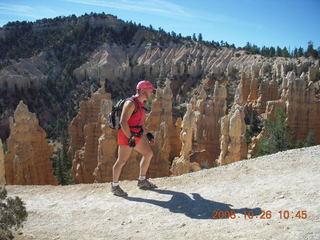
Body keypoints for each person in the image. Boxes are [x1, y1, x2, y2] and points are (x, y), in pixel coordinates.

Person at [111, 80, 158, 197]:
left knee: (148, 154)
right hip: (126, 135)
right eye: (150, 90)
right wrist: (130, 137)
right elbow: (123, 122)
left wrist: (148, 134)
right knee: (121, 161)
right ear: (143, 91)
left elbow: (140, 124)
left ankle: (142, 181)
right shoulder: (131, 103)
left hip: (136, 134)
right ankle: (114, 186)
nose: (152, 93)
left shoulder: (141, 105)